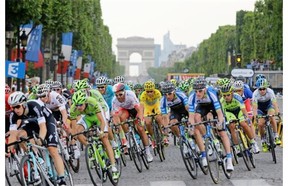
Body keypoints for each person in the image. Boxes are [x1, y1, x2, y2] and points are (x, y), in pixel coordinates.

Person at [7, 91, 67, 185]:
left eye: (17, 106)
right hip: (32, 124)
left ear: (24, 104)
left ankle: (62, 179)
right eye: (13, 107)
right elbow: (13, 134)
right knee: (19, 136)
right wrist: (9, 149)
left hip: (47, 121)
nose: (15, 110)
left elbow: (43, 127)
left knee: (52, 149)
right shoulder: (13, 115)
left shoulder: (34, 106)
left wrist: (41, 139)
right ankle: (33, 156)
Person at [70, 91, 120, 180]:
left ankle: (113, 167)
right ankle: (90, 147)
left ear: (85, 102)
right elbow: (74, 128)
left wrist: (101, 131)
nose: (79, 107)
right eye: (77, 105)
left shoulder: (92, 102)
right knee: (77, 132)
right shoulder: (73, 109)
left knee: (104, 139)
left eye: (81, 105)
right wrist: (74, 136)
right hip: (87, 118)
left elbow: (102, 121)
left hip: (98, 117)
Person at [187, 78, 234, 171]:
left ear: (205, 89)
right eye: (196, 91)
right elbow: (191, 116)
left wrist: (220, 123)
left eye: (200, 91)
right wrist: (191, 127)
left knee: (222, 132)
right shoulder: (192, 96)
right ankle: (206, 139)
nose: (198, 93)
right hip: (202, 107)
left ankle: (229, 160)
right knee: (196, 119)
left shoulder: (211, 93)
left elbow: (219, 113)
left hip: (213, 106)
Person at [111, 83, 154, 162]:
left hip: (135, 109)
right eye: (116, 95)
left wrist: (140, 119)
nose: (119, 97)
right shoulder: (114, 101)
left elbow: (139, 109)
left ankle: (148, 152)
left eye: (120, 94)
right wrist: (117, 126)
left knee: (140, 129)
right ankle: (127, 136)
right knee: (121, 118)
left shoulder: (130, 95)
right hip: (125, 110)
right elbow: (115, 115)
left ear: (124, 92)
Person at [220, 82, 260, 155]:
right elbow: (222, 113)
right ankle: (237, 146)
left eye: (228, 95)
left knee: (243, 124)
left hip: (239, 110)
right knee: (232, 126)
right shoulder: (222, 101)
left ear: (232, 93)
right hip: (230, 113)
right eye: (224, 95)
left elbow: (244, 110)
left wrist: (247, 118)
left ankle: (253, 142)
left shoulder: (237, 97)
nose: (226, 97)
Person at [252, 78, 281, 152]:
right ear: (258, 89)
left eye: (263, 89)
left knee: (272, 117)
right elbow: (254, 108)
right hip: (260, 109)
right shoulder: (255, 94)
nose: (262, 91)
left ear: (266, 88)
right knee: (260, 124)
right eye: (260, 89)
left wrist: (277, 112)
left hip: (269, 106)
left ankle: (276, 136)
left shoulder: (270, 91)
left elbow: (274, 103)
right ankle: (263, 141)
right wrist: (256, 117)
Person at [140, 81, 169, 148]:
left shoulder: (157, 92)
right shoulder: (143, 95)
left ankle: (164, 136)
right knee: (147, 122)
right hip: (148, 107)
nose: (149, 93)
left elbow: (161, 103)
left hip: (156, 106)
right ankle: (153, 138)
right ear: (145, 91)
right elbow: (141, 107)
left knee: (159, 118)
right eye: (147, 91)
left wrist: (163, 111)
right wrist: (141, 116)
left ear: (154, 90)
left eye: (151, 91)